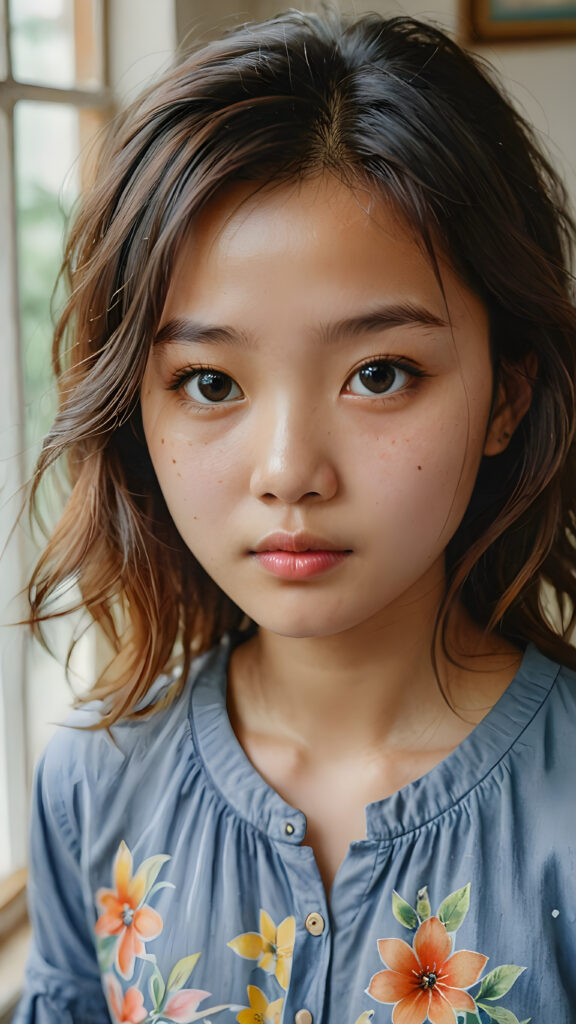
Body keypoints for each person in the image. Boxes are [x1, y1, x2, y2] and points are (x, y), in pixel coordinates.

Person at [13, 8, 576, 1024]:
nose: (288, 473)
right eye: (211, 383)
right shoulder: (93, 785)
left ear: (508, 395)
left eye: (379, 372)